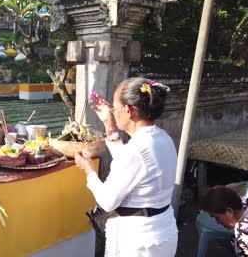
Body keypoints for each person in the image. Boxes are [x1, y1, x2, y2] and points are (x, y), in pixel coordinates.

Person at [75, 77, 178, 256]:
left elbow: (107, 202)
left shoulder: (136, 149)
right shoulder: (163, 138)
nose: (113, 112)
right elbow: (131, 167)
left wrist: (89, 171)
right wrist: (109, 124)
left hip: (137, 242)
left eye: (114, 108)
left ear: (129, 111)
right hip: (162, 231)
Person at [202, 186, 248, 257]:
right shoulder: (244, 203)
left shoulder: (243, 231)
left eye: (217, 218)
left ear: (229, 211)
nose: (217, 222)